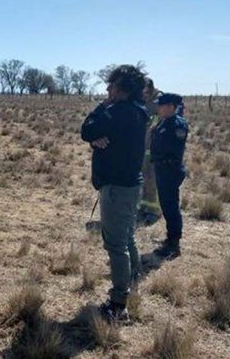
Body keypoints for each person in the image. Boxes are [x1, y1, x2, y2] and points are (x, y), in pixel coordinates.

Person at [80, 64, 148, 322]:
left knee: (116, 244)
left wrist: (100, 109)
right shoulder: (138, 111)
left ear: (124, 89)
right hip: (129, 185)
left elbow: (86, 129)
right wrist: (96, 138)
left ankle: (118, 305)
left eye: (113, 85)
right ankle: (132, 283)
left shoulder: (118, 112)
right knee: (127, 238)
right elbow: (95, 135)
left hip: (117, 188)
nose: (108, 89)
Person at [150, 93, 189, 259]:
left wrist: (165, 162)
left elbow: (174, 150)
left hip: (170, 171)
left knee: (171, 206)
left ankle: (174, 243)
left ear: (171, 107)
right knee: (166, 205)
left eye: (161, 105)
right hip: (161, 169)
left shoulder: (177, 124)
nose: (158, 108)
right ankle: (170, 238)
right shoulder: (164, 122)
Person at [139, 77, 162, 226]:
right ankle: (143, 207)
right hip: (142, 149)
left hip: (155, 150)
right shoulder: (141, 102)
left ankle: (154, 211)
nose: (143, 95)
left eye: (146, 92)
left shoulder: (159, 103)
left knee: (153, 180)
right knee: (143, 179)